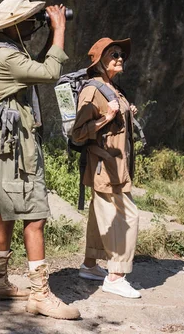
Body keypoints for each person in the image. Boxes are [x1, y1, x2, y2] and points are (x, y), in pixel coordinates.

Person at [0, 0, 80, 320]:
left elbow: (36, 67)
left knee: (7, 210)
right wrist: (60, 29)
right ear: (15, 25)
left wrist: (50, 33)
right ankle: (40, 294)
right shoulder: (7, 57)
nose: (33, 21)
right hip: (18, 145)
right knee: (34, 217)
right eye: (30, 18)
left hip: (10, 141)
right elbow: (50, 73)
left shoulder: (7, 51)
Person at [71, 37, 141, 299]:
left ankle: (90, 266)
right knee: (127, 216)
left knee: (99, 215)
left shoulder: (113, 88)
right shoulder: (92, 90)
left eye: (121, 54)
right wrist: (105, 118)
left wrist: (125, 112)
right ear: (100, 60)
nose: (119, 58)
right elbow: (77, 134)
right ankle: (116, 276)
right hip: (105, 167)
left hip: (116, 166)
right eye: (113, 54)